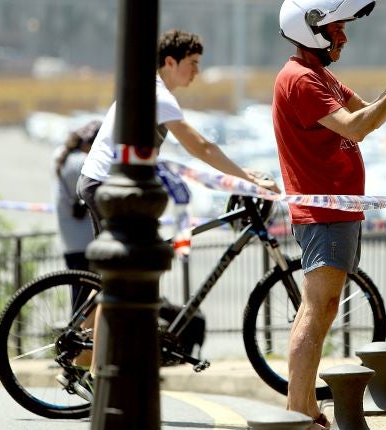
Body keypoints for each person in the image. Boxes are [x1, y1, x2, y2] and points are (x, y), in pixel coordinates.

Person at [71, 28, 278, 402]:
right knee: (119, 278)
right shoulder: (159, 95)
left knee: (117, 274)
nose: (197, 72)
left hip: (106, 183)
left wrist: (241, 176)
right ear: (170, 62)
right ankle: (95, 372)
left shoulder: (149, 90)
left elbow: (194, 151)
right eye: (192, 63)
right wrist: (248, 181)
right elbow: (201, 146)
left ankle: (84, 354)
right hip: (108, 186)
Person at [272, 0, 386, 429]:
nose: (343, 36)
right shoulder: (301, 79)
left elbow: (369, 114)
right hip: (324, 214)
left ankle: (303, 408)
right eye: (337, 28)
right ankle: (299, 412)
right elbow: (357, 127)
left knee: (319, 308)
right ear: (311, 29)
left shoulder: (317, 74)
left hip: (336, 212)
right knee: (318, 308)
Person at [53, 119, 101, 309]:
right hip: (86, 240)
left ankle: (77, 326)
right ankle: (80, 327)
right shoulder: (82, 162)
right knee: (87, 298)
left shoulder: (61, 157)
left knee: (79, 293)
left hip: (69, 239)